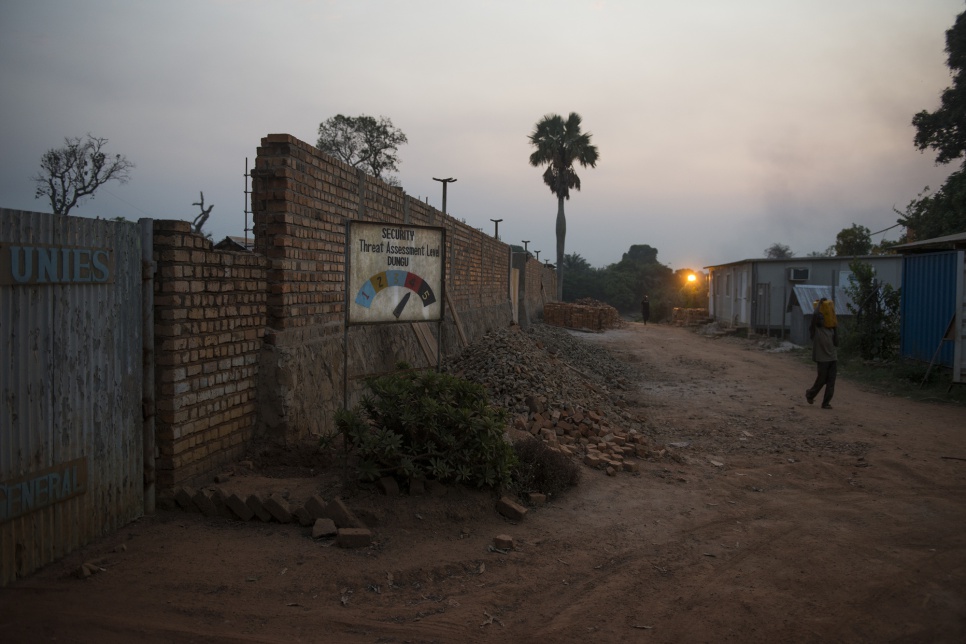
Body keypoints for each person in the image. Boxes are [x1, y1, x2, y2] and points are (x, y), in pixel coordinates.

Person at [806, 298, 838, 409]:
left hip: (833, 358)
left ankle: (826, 403)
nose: (820, 319)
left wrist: (834, 324)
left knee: (831, 382)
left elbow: (836, 342)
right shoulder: (815, 330)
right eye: (819, 318)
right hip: (822, 358)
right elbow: (815, 316)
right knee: (821, 380)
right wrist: (820, 304)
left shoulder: (831, 329)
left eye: (822, 317)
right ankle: (810, 394)